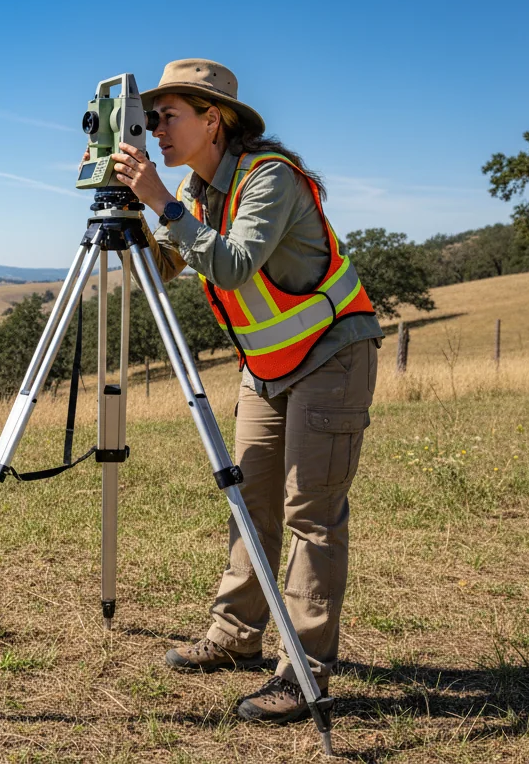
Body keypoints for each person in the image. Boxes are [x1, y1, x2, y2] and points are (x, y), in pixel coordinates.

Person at [104, 58, 383, 723]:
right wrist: (130, 221)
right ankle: (234, 636)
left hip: (332, 356)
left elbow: (230, 267)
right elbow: (168, 267)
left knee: (309, 515)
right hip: (266, 366)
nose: (157, 130)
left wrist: (160, 202)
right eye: (153, 117)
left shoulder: (269, 179)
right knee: (249, 500)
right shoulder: (195, 190)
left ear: (214, 120)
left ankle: (303, 674)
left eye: (169, 116)